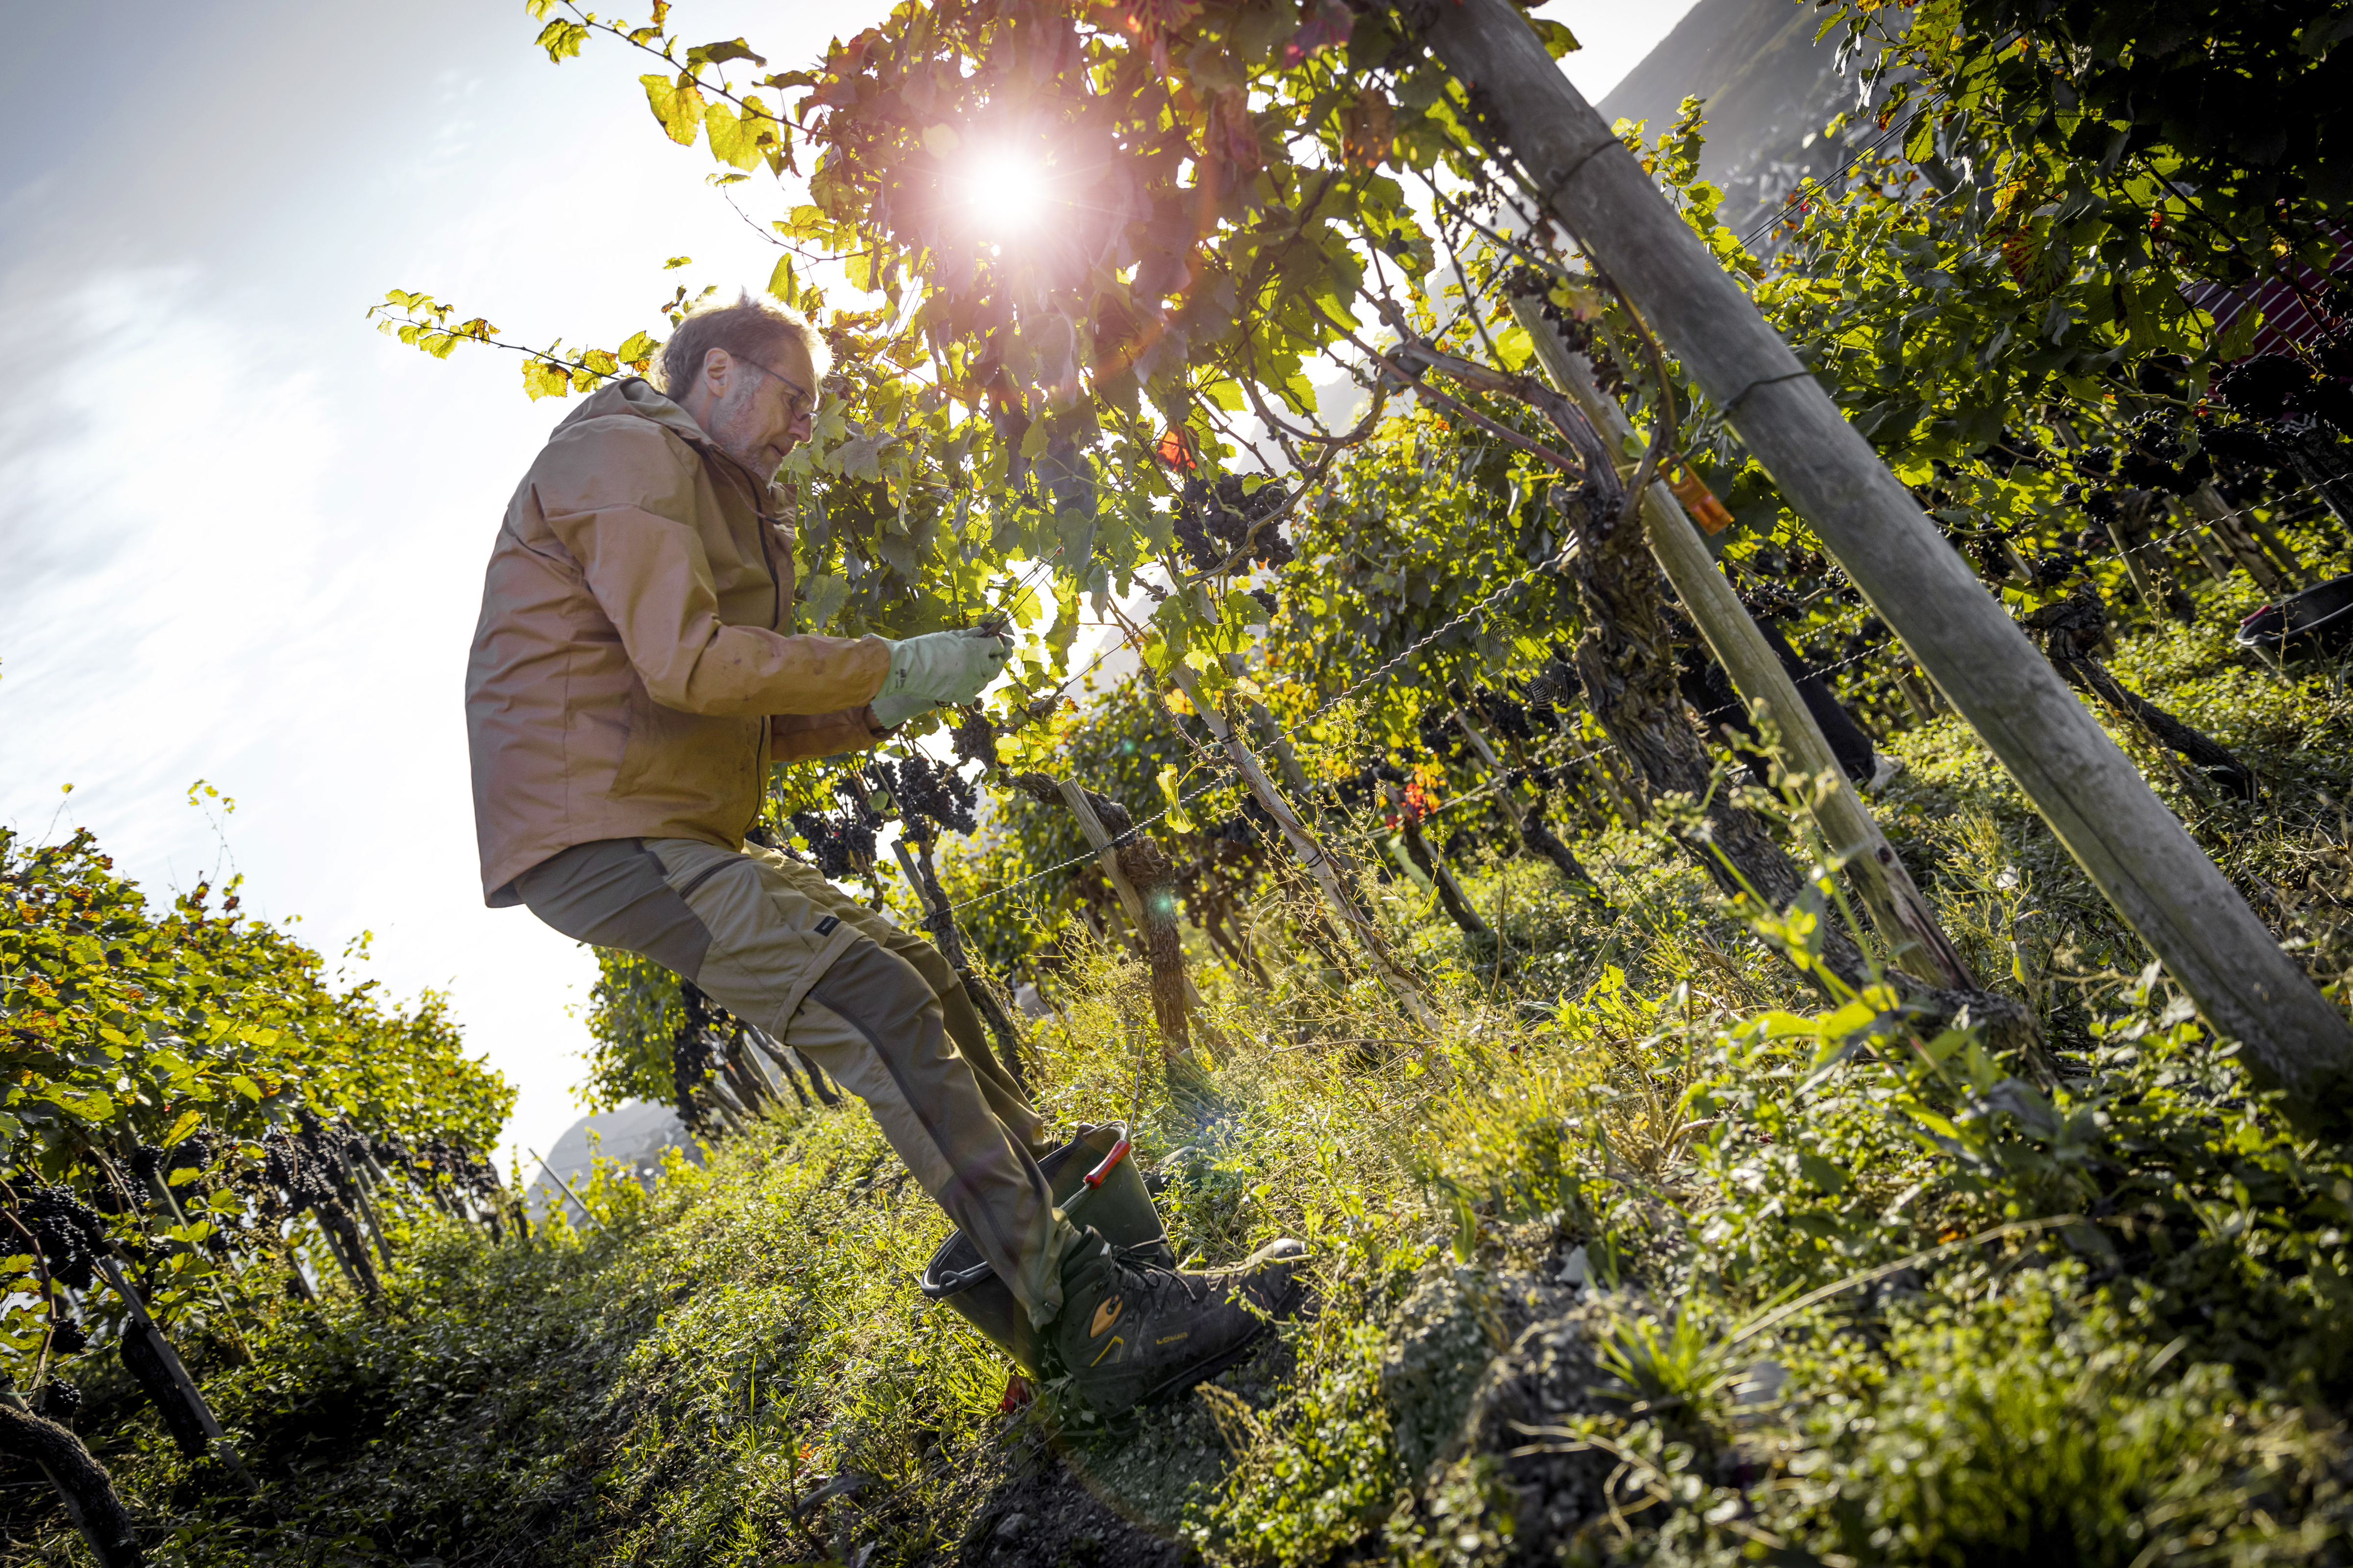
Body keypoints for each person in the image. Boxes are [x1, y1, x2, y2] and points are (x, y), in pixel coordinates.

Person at [463, 294, 1303, 1409]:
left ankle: (1080, 1271)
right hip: (606, 830)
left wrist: (881, 704)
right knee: (877, 1005)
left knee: (920, 976)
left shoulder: (696, 487)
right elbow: (690, 664)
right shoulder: (624, 453)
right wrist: (882, 661)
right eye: (795, 399)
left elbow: (735, 717)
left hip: (656, 814)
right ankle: (1093, 1320)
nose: (803, 428)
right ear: (719, 373)